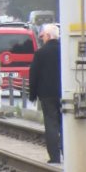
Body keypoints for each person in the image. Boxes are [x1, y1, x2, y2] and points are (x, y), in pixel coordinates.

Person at [29, 24, 62, 163]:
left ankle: (54, 157)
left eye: (43, 36)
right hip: (64, 92)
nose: (42, 39)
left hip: (47, 94)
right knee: (65, 122)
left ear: (48, 36)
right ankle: (68, 152)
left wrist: (32, 94)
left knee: (51, 123)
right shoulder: (64, 51)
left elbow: (34, 74)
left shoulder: (41, 53)